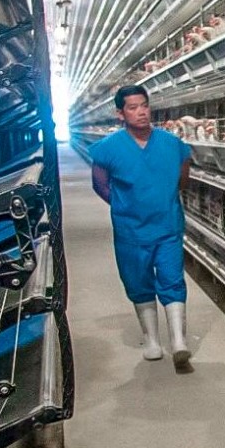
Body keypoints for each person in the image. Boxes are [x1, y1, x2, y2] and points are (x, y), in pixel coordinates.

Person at [91, 84, 193, 372]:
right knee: (138, 281)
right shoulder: (108, 148)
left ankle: (178, 341)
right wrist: (125, 206)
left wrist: (165, 200)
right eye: (133, 107)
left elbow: (183, 178)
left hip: (167, 225)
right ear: (120, 114)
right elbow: (99, 184)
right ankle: (151, 339)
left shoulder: (172, 144)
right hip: (131, 230)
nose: (141, 112)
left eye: (144, 105)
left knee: (173, 279)